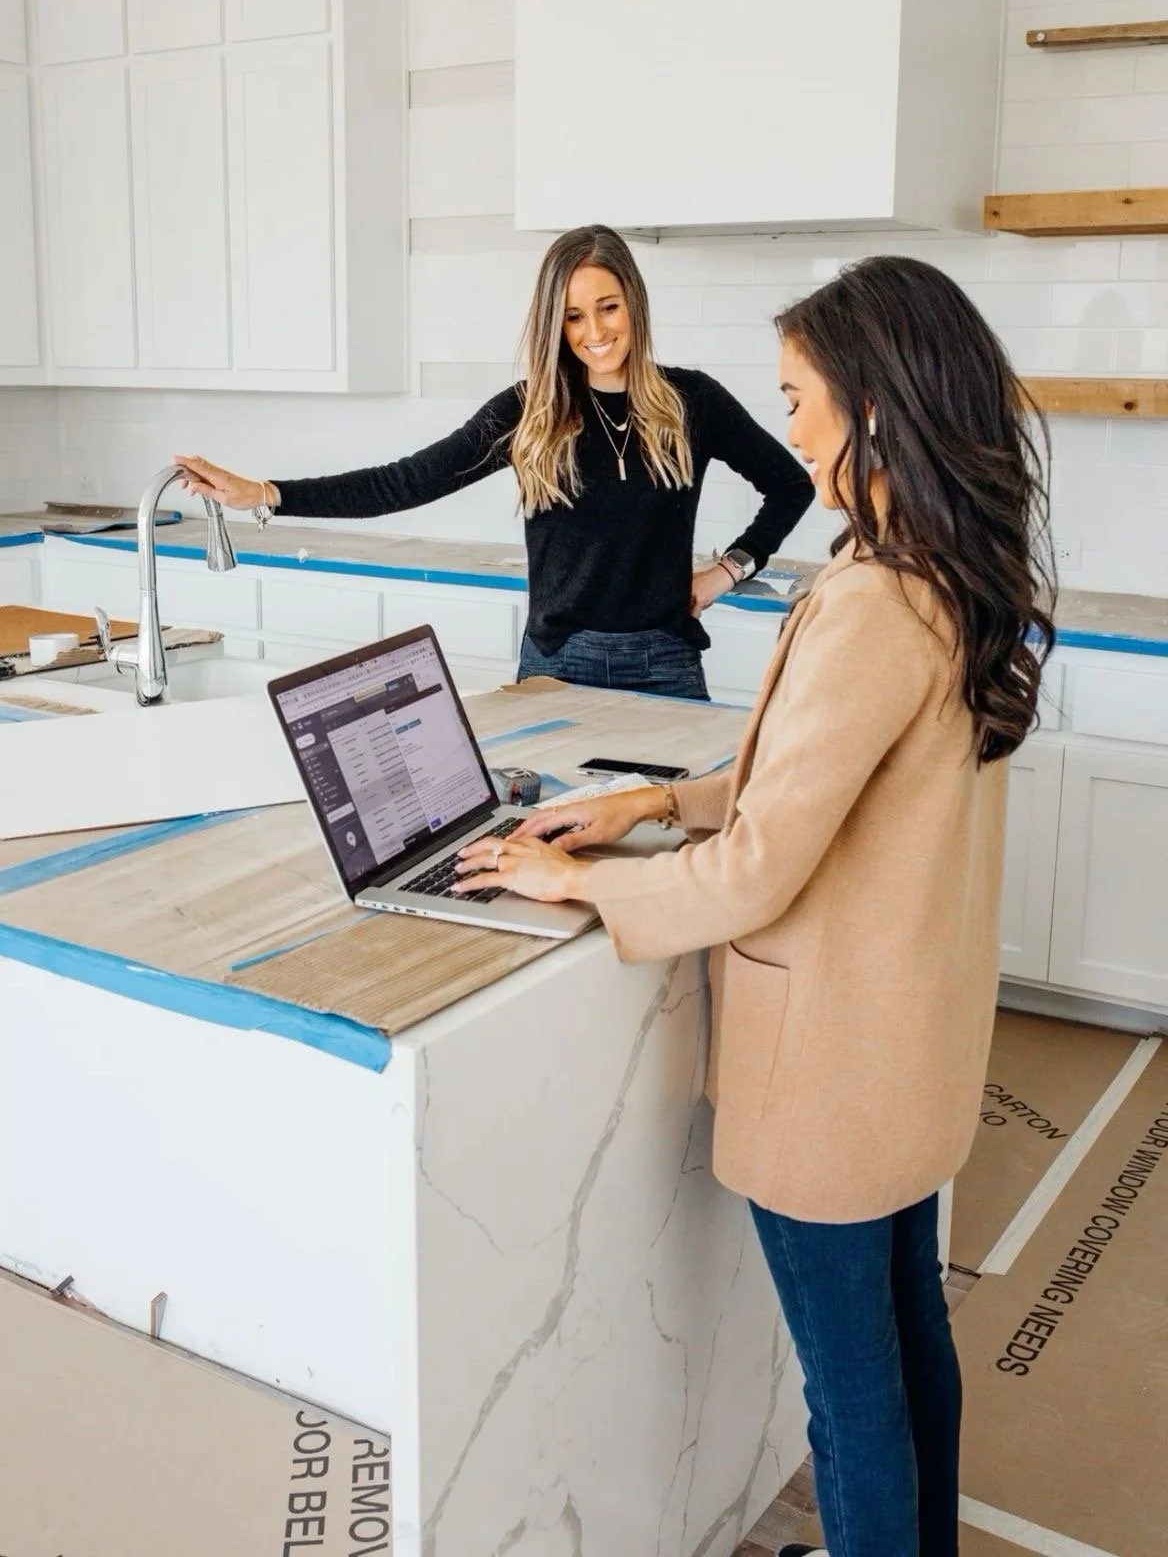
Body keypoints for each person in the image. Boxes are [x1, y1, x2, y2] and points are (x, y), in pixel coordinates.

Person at [452, 255, 1056, 1557]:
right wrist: (650, 806)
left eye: (797, 401)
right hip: (913, 1053)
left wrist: (576, 881)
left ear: (872, 412)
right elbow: (828, 783)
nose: (787, 431)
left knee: (849, 1404)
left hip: (832, 1073)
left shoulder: (867, 602)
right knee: (909, 1346)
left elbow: (765, 870)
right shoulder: (956, 576)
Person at [175, 224, 813, 701]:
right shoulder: (530, 410)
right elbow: (405, 481)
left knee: (678, 844)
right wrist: (264, 492)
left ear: (634, 305)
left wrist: (730, 570)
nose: (594, 330)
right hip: (558, 665)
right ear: (553, 324)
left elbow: (790, 485)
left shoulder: (690, 401)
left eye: (608, 306)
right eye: (572, 316)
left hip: (666, 660)